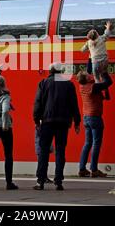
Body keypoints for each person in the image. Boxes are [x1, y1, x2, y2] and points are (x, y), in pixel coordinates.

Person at [33, 62, 81, 190]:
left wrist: (36, 120)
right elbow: (74, 104)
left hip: (47, 122)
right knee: (60, 151)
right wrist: (77, 122)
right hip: (63, 123)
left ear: (50, 71)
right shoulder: (69, 85)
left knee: (43, 151)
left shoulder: (43, 83)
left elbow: (38, 103)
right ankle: (58, 181)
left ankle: (40, 181)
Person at [76, 70, 113, 178]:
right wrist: (103, 72)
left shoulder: (82, 86)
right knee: (96, 144)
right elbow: (109, 82)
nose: (90, 75)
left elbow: (106, 96)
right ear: (86, 79)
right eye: (88, 75)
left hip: (86, 118)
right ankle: (94, 169)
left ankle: (82, 169)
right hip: (95, 118)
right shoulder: (93, 87)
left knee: (87, 143)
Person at [81, 21, 112, 100]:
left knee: (97, 78)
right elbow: (107, 34)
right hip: (105, 61)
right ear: (97, 34)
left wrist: (88, 49)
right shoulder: (101, 39)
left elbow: (82, 50)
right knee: (103, 74)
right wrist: (108, 27)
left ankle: (100, 95)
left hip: (95, 63)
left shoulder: (88, 42)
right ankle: (105, 88)